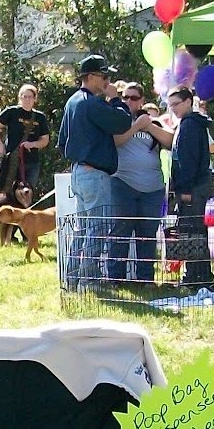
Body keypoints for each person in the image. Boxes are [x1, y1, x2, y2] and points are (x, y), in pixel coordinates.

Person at [57, 55, 134, 290]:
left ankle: (71, 280)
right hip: (93, 173)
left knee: (81, 229)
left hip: (78, 172)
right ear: (90, 77)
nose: (107, 81)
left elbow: (62, 141)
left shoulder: (72, 102)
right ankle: (90, 281)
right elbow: (122, 122)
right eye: (103, 77)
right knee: (97, 228)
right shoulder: (92, 103)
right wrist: (116, 99)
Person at [108, 82, 172, 284]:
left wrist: (149, 125)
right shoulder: (117, 120)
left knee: (147, 234)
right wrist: (136, 126)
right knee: (121, 230)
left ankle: (145, 279)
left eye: (133, 98)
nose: (128, 101)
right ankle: (116, 279)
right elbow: (115, 141)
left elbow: (171, 141)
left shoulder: (153, 122)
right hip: (123, 183)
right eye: (125, 97)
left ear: (142, 101)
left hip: (153, 188)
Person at [166, 86, 214, 289]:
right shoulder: (190, 124)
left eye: (176, 104)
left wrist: (185, 190)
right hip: (195, 186)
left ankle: (198, 278)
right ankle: (197, 276)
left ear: (188, 102)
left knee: (192, 233)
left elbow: (189, 161)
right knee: (193, 231)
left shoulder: (190, 126)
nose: (173, 109)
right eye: (170, 106)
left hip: (192, 189)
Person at [0, 84, 51, 196]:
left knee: (27, 195)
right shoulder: (12, 112)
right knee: (7, 193)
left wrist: (33, 144)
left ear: (35, 99)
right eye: (24, 96)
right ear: (20, 98)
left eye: (30, 97)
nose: (27, 100)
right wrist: (0, 145)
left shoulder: (40, 117)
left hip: (32, 162)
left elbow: (45, 139)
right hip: (12, 161)